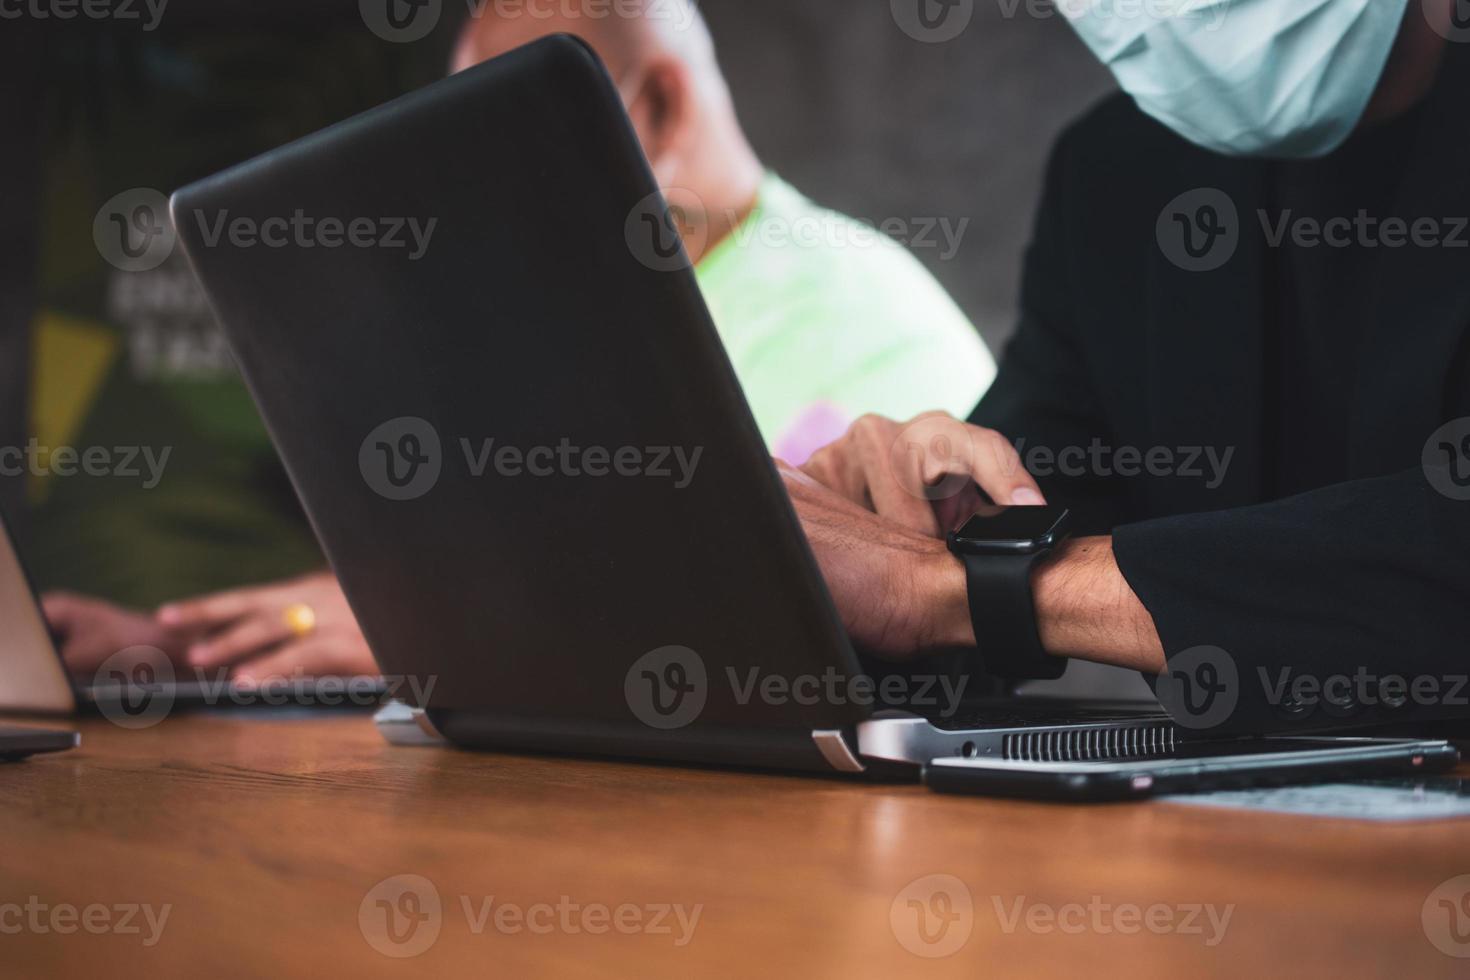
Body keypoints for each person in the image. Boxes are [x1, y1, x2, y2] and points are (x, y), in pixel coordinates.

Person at [48, 3, 996, 684]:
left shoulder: (874, 330)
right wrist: (194, 651)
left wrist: (443, 633)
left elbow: (850, 626)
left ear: (659, 111)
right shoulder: (591, 315)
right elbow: (492, 572)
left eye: (502, 133)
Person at [785, 0, 1470, 735]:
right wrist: (866, 538)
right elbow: (1003, 518)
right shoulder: (1116, 178)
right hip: (1231, 831)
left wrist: (942, 587)